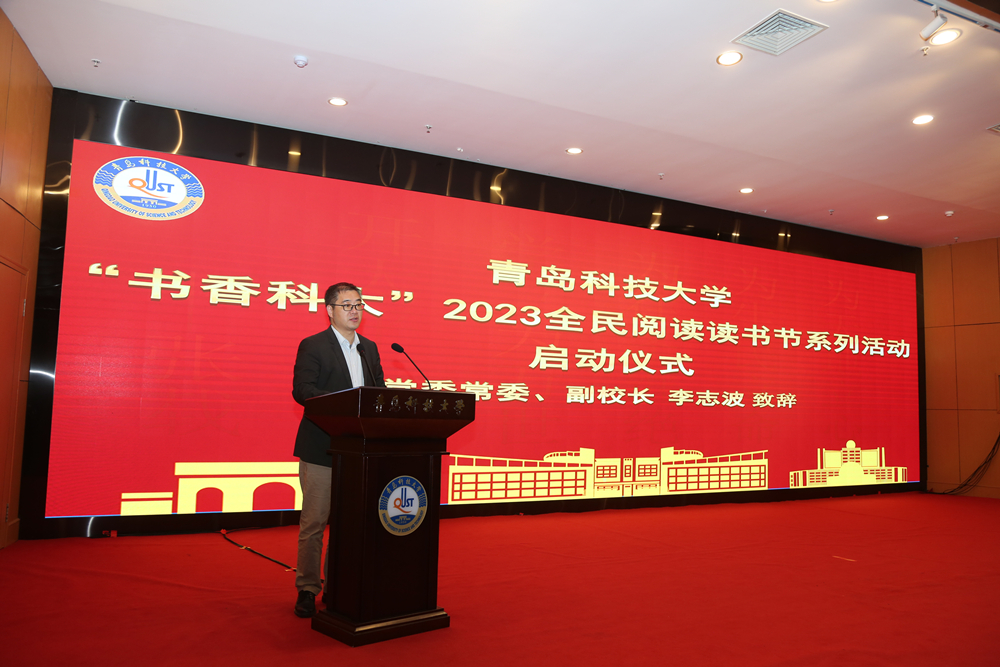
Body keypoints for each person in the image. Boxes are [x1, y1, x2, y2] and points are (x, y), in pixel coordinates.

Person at [291, 282, 386, 618]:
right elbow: (303, 390)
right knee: (315, 523)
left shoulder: (369, 348)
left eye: (358, 304)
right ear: (330, 310)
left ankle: (337, 585)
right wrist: (345, 404)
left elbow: (378, 392)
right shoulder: (314, 345)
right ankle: (307, 588)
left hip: (357, 451)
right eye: (347, 305)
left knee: (347, 524)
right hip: (322, 448)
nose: (355, 310)